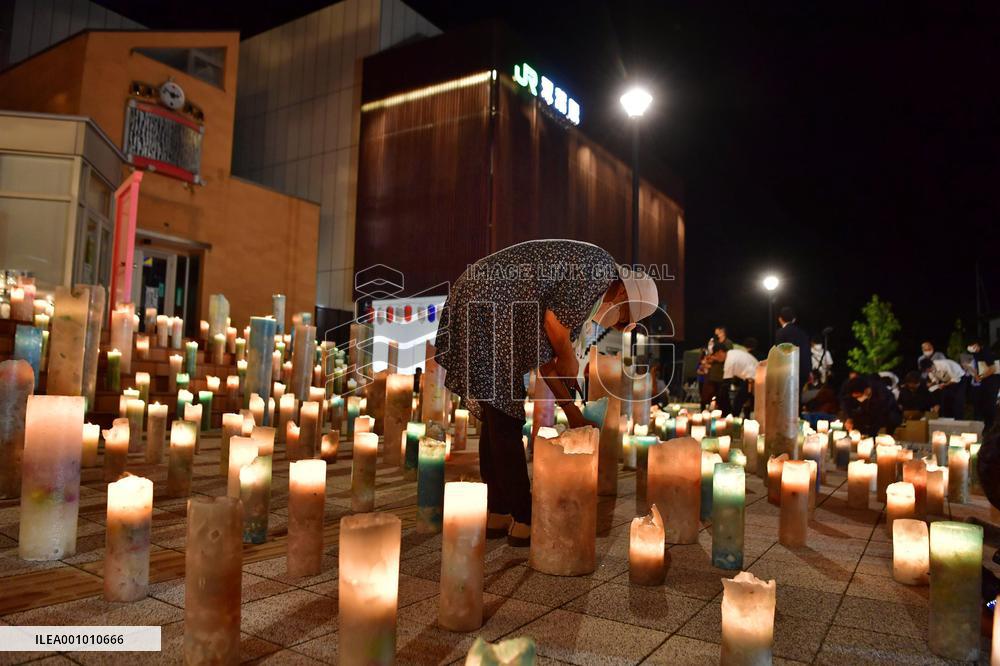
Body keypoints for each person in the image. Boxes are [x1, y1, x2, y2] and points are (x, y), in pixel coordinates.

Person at [435, 239, 658, 546]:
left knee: (495, 413)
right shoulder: (600, 269)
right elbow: (554, 331)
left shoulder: (582, 297)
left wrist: (573, 413)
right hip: (490, 300)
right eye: (625, 318)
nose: (620, 326)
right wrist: (569, 359)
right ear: (622, 293)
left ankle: (498, 511)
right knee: (504, 417)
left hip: (482, 296)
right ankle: (525, 517)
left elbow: (547, 363)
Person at [966, 339, 999, 428]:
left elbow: (993, 369)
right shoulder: (976, 354)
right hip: (984, 381)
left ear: (976, 344)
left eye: (971, 346)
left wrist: (980, 377)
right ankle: (986, 425)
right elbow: (979, 368)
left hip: (992, 380)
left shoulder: (985, 352)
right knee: (983, 403)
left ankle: (991, 426)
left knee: (990, 404)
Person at [721, 338, 757, 416]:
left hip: (752, 378)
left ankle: (734, 419)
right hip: (753, 376)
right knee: (746, 400)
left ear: (720, 352)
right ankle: (746, 419)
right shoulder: (732, 353)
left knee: (739, 400)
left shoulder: (729, 359)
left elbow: (726, 382)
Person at [775, 306, 811, 387]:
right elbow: (807, 352)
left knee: (787, 398)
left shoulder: (781, 332)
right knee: (798, 396)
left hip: (788, 371)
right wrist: (809, 371)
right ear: (794, 319)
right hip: (804, 370)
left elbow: (780, 353)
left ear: (780, 319)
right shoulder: (803, 333)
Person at [698, 326, 733, 409]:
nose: (715, 333)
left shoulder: (728, 343)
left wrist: (713, 358)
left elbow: (725, 356)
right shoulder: (715, 342)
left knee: (722, 395)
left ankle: (723, 411)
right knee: (707, 393)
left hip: (722, 373)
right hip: (712, 373)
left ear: (722, 332)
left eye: (717, 331)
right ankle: (706, 409)